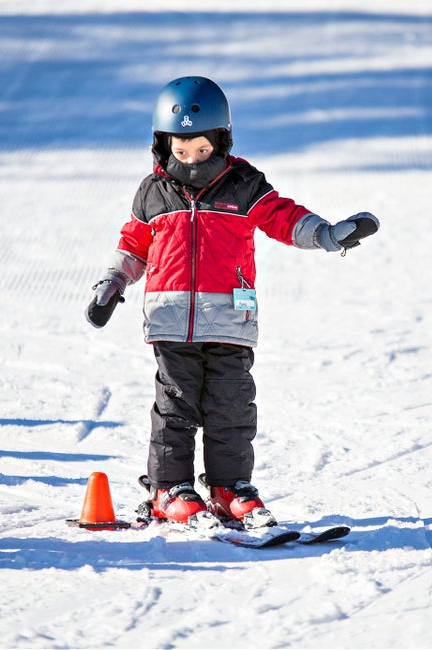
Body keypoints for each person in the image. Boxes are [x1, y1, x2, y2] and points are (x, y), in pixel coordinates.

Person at [86, 76, 379, 529]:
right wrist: (112, 282)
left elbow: (284, 217)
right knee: (176, 407)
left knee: (232, 408)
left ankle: (230, 489)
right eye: (180, 151)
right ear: (163, 146)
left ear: (221, 141)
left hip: (229, 319)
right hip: (170, 320)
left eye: (201, 150)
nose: (191, 160)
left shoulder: (242, 183)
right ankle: (170, 490)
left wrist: (327, 234)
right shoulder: (153, 191)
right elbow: (133, 245)